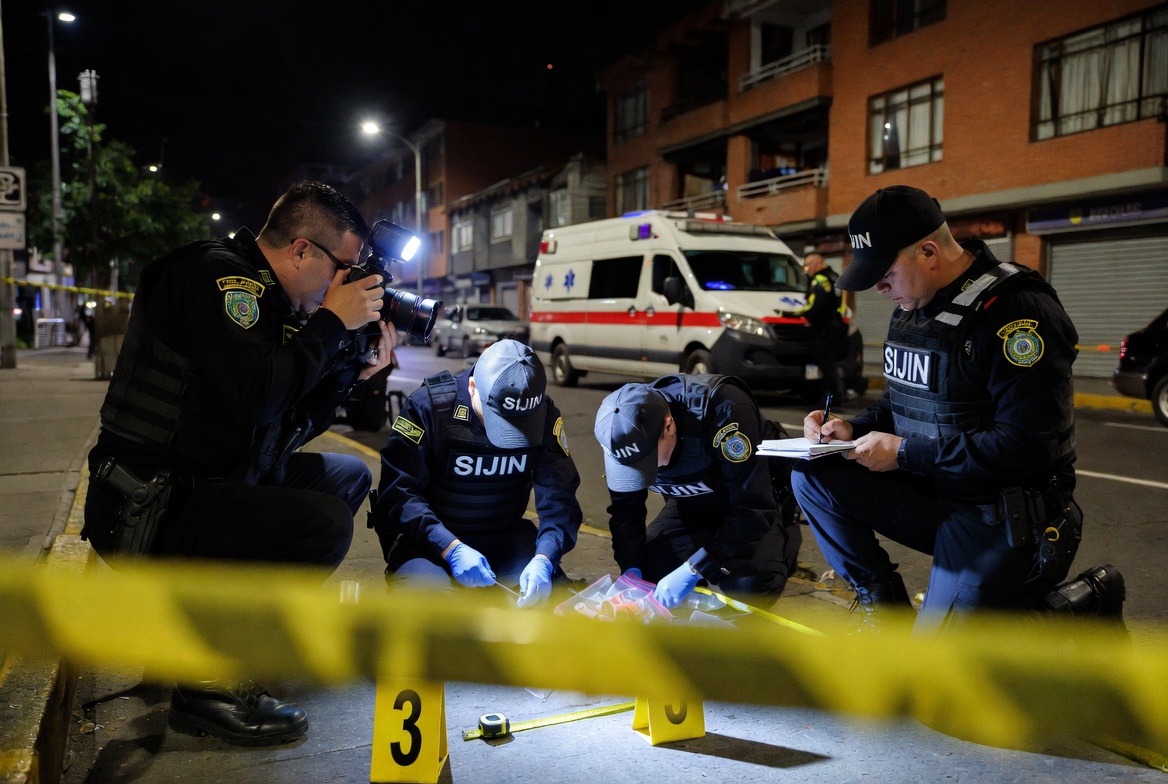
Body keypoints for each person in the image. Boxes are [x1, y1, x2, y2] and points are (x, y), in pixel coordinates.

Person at [82, 180, 399, 745]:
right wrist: (331, 323)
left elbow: (288, 423)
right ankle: (206, 682)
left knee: (348, 475)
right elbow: (258, 396)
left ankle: (215, 630)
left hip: (205, 483)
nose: (347, 285)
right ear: (301, 250)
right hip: (146, 505)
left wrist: (352, 369)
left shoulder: (275, 302)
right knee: (322, 525)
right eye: (344, 269)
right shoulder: (218, 280)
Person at [790, 184, 1124, 633]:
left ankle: (1082, 604)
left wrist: (904, 453)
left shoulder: (1017, 313)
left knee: (939, 673)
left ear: (929, 252)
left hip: (1001, 514)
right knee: (811, 473)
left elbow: (1027, 448)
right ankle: (884, 610)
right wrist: (852, 428)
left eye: (884, 273)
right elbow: (901, 401)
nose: (878, 287)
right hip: (936, 493)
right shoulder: (914, 304)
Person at [369, 339, 582, 607]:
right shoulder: (431, 407)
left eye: (520, 426)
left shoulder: (542, 413)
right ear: (472, 387)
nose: (508, 434)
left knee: (550, 608)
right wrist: (450, 547)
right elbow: (398, 494)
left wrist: (545, 558)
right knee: (430, 614)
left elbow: (560, 498)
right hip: (429, 543)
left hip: (505, 539)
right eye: (499, 420)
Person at [593, 374, 802, 610]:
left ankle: (783, 542)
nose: (641, 471)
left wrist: (696, 568)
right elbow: (625, 511)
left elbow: (753, 508)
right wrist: (631, 569)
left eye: (647, 461)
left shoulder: (724, 411)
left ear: (669, 425)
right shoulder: (620, 431)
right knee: (648, 570)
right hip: (691, 504)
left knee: (750, 586)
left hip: (753, 504)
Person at [783, 253, 848, 407]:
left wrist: (792, 314)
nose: (805, 270)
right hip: (835, 325)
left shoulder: (820, 279)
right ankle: (835, 395)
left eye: (807, 265)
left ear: (818, 263)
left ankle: (834, 397)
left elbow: (813, 306)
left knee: (825, 364)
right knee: (830, 363)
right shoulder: (834, 277)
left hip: (823, 327)